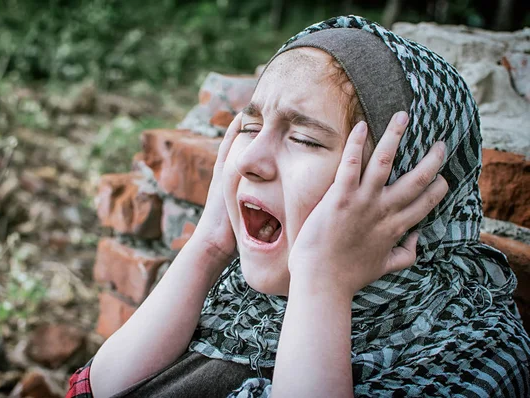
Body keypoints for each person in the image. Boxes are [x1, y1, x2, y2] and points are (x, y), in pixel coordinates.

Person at [67, 15, 530, 398]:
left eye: (304, 138)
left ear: (404, 185)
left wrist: (324, 282)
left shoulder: (474, 356)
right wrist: (208, 245)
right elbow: (97, 391)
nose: (248, 161)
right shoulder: (242, 301)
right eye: (250, 128)